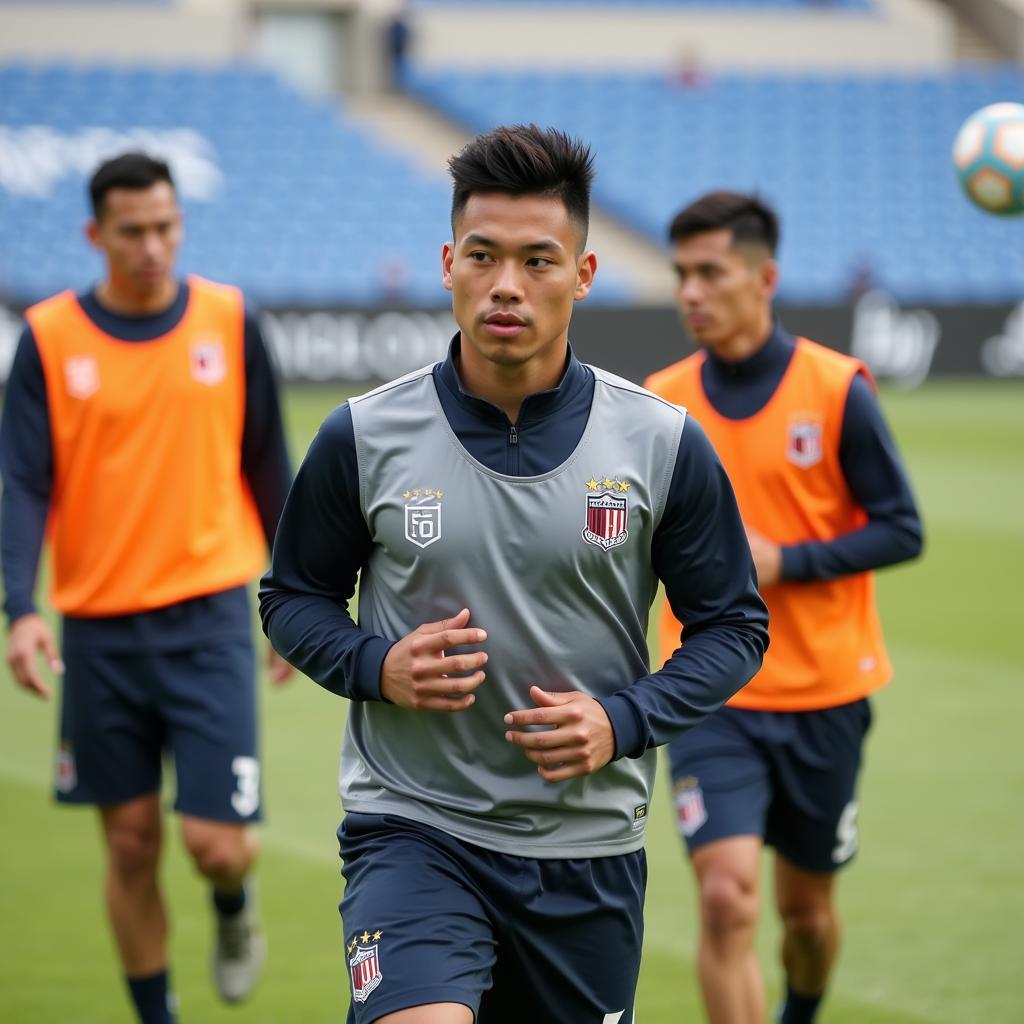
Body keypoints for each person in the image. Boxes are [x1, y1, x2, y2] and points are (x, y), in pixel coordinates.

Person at [259, 125, 770, 1024]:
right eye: (485, 257)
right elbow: (292, 598)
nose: (506, 285)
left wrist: (623, 720)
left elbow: (733, 626)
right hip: (414, 830)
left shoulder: (661, 443)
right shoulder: (363, 435)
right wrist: (376, 666)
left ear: (583, 274)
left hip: (588, 849)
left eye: (539, 260)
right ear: (449, 262)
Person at [0, 152, 293, 1024]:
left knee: (217, 846)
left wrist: (294, 599)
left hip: (208, 621)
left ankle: (235, 912)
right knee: (129, 843)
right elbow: (22, 479)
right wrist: (22, 609)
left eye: (165, 226)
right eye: (132, 231)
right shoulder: (51, 337)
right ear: (96, 234)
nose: (152, 245)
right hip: (98, 631)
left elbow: (268, 461)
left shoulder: (229, 320)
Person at [644, 191, 923, 1024]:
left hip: (825, 694)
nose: (691, 291)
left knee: (805, 915)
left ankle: (800, 1009)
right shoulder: (660, 402)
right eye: (681, 274)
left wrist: (785, 561)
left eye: (710, 272)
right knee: (727, 899)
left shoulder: (837, 390)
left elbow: (901, 529)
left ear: (764, 277)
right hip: (709, 692)